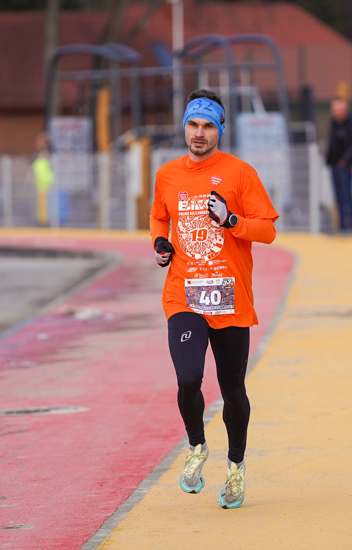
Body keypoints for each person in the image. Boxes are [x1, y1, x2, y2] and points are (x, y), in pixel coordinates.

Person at [150, 88, 279, 509]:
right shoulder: (168, 174)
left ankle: (236, 469)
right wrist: (160, 242)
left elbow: (267, 230)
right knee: (188, 379)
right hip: (184, 294)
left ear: (220, 129)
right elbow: (159, 215)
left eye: (208, 126)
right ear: (184, 127)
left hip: (229, 297)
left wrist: (232, 220)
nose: (199, 133)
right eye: (193, 124)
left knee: (232, 389)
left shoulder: (240, 173)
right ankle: (197, 447)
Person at [325, 97, 352, 233]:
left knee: (347, 195)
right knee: (338, 196)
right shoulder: (334, 123)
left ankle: (350, 224)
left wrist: (345, 160)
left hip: (345, 165)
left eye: (338, 109)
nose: (336, 112)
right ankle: (341, 225)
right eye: (334, 109)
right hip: (334, 164)